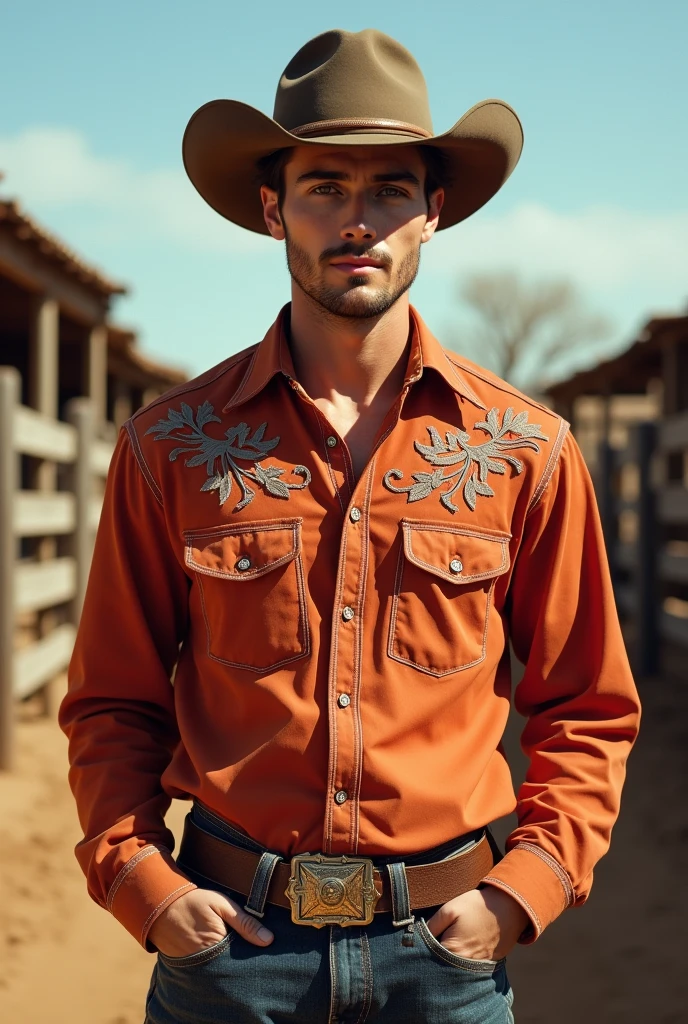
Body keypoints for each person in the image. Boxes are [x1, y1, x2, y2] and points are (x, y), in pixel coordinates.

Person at [59, 28, 641, 1024]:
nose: (357, 221)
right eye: (325, 187)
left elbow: (587, 704)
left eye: (390, 191)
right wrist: (145, 888)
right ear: (273, 207)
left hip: (448, 956)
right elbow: (113, 699)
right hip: (229, 955)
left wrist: (521, 892)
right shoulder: (172, 446)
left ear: (433, 213)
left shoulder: (523, 449)